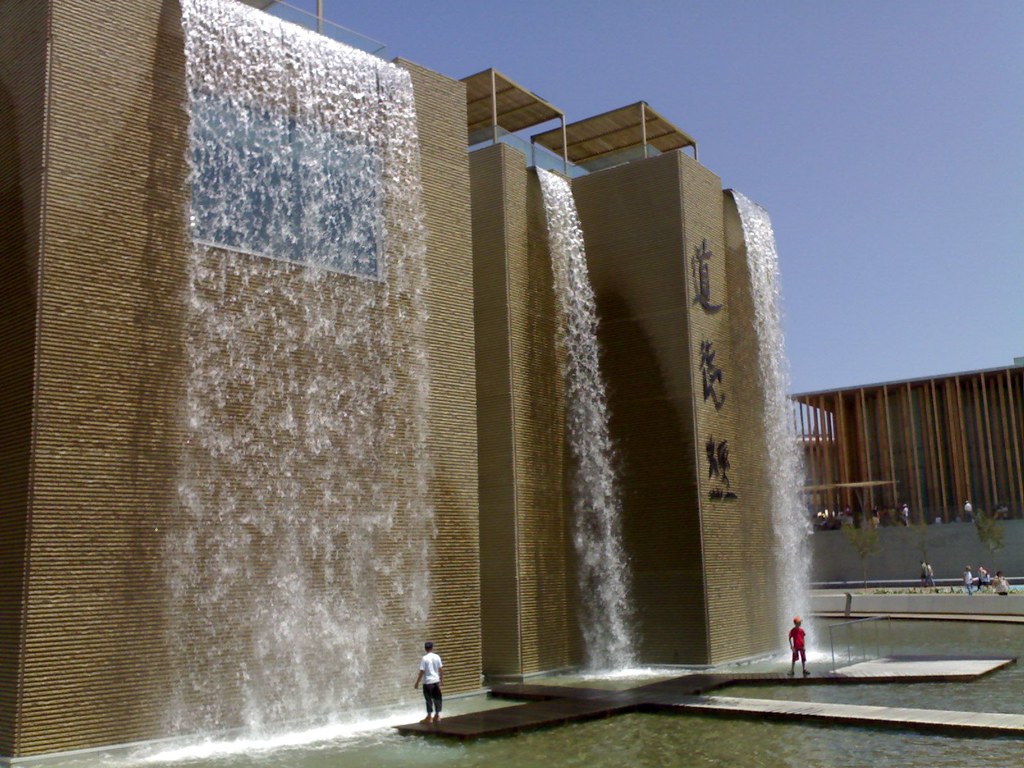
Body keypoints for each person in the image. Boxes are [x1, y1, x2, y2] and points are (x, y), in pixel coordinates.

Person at [414, 641, 444, 724]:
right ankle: (437, 715)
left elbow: (422, 671)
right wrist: (442, 680)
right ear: (432, 647)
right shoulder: (437, 657)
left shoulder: (424, 658)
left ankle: (429, 717)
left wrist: (417, 682)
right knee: (437, 698)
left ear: (425, 648)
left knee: (428, 699)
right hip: (436, 681)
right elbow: (441, 669)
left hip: (427, 682)